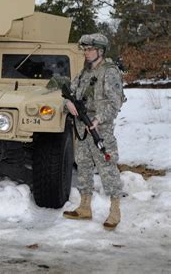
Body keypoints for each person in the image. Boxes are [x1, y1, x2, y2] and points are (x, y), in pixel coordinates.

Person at [62, 33, 124, 230]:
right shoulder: (84, 73)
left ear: (100, 51)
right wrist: (67, 103)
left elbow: (115, 103)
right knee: (84, 166)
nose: (87, 53)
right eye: (85, 50)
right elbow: (70, 92)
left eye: (90, 49)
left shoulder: (110, 72)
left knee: (107, 166)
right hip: (82, 127)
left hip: (100, 129)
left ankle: (115, 210)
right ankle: (85, 207)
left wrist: (98, 119)